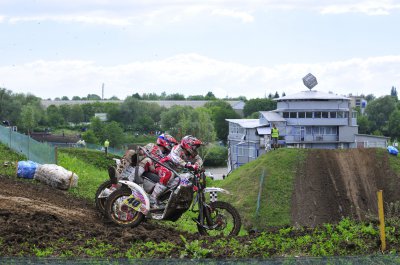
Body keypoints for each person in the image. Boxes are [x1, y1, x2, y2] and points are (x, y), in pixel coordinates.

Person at [149, 135, 203, 208]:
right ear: (188, 144)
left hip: (175, 171)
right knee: (169, 174)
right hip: (163, 165)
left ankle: (171, 199)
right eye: (194, 147)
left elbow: (199, 160)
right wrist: (186, 165)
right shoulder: (178, 148)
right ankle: (152, 198)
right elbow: (175, 157)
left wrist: (197, 165)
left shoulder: (191, 154)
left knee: (184, 179)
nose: (195, 149)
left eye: (196, 147)